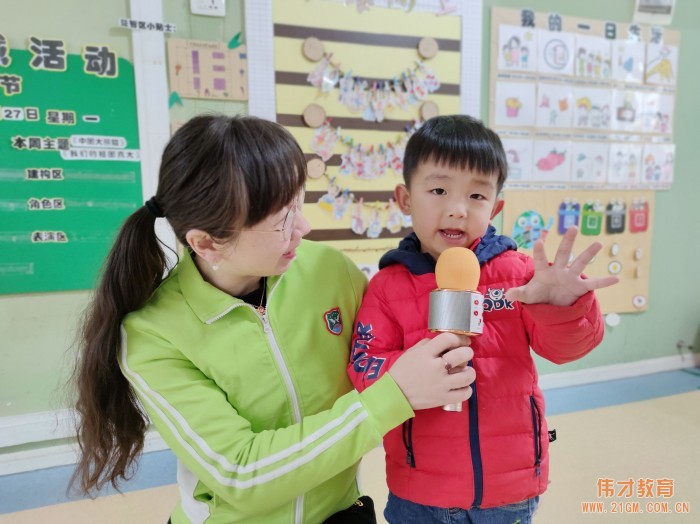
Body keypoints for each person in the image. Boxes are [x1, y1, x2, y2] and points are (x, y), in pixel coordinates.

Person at [71, 115, 477, 523]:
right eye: (282, 220)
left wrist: (533, 302)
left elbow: (408, 341)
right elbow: (241, 473)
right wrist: (393, 398)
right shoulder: (153, 334)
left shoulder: (331, 271)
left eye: (298, 203)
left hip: (341, 514)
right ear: (206, 243)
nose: (304, 226)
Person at [347, 115, 619, 524]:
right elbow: (364, 366)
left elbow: (566, 349)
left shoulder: (519, 274)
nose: (457, 210)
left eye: (477, 196)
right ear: (405, 199)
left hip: (509, 488)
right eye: (438, 190)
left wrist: (563, 307)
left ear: (496, 207)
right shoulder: (387, 286)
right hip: (421, 491)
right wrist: (416, 372)